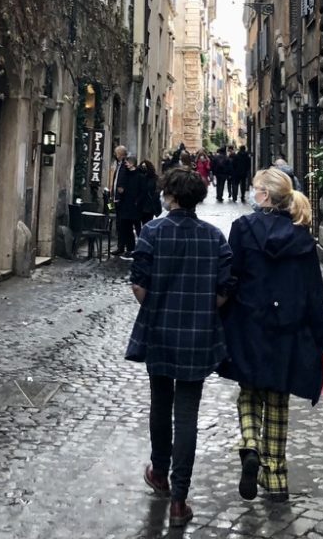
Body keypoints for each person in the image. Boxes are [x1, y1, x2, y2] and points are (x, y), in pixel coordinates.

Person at [126, 168, 233, 529]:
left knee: (160, 402)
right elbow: (225, 289)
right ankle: (179, 499)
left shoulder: (153, 232)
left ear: (169, 196)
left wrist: (159, 305)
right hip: (198, 334)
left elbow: (139, 285)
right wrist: (201, 308)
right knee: (187, 413)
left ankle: (159, 471)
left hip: (160, 330)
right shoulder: (214, 237)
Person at [219, 167, 323, 504]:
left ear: (265, 195)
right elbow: (313, 290)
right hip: (287, 326)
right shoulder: (301, 236)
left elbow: (231, 276)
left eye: (256, 189)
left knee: (249, 392)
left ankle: (250, 445)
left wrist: (221, 316)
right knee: (279, 399)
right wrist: (318, 336)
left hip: (249, 322)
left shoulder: (243, 228)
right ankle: (277, 478)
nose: (253, 193)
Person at [114, 154, 144, 260]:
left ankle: (140, 248)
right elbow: (120, 186)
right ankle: (129, 249)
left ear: (132, 163)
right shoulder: (125, 174)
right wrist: (121, 192)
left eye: (127, 162)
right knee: (126, 228)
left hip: (135, 207)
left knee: (138, 227)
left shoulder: (140, 176)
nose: (125, 164)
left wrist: (137, 202)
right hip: (125, 205)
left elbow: (142, 191)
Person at [138, 159, 161, 224]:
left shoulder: (154, 178)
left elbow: (156, 191)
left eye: (145, 167)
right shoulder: (139, 177)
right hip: (141, 205)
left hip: (149, 206)